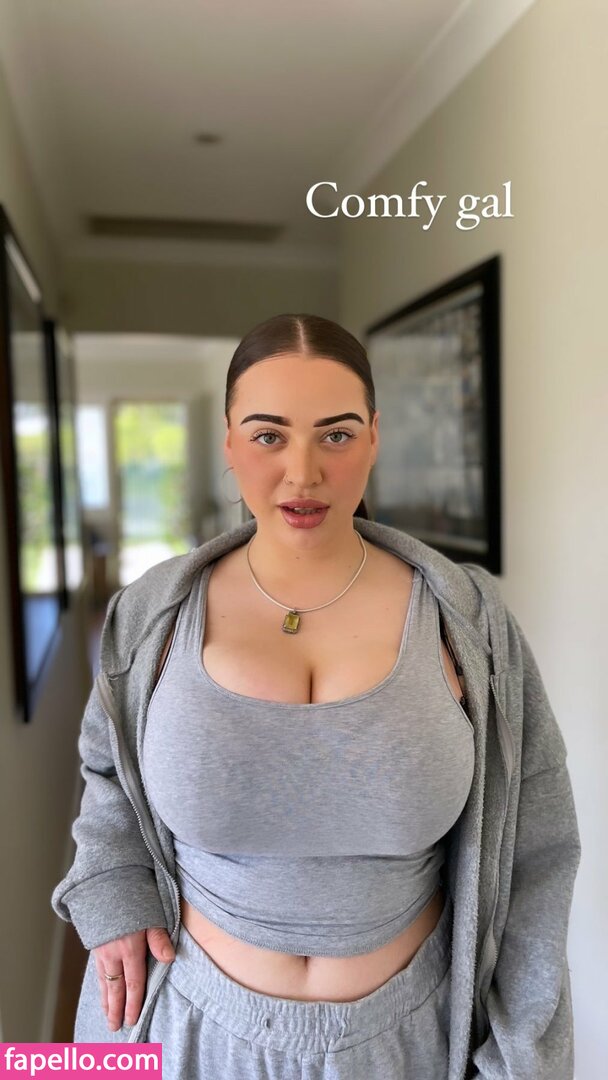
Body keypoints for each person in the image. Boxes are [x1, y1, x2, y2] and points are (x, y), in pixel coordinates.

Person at [52, 313, 581, 1080]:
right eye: (269, 435)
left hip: (408, 1044)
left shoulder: (468, 620)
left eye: (335, 434)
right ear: (229, 442)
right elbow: (109, 772)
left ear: (374, 437)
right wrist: (112, 889)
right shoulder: (151, 614)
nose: (302, 474)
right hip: (184, 1031)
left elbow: (539, 849)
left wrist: (523, 1060)